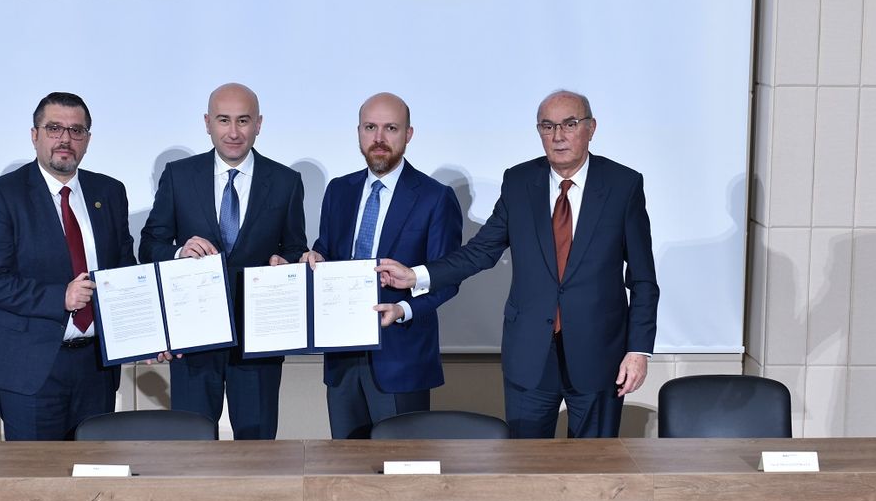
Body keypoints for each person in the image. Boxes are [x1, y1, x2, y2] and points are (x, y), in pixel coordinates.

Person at [377, 89, 658, 438]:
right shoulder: (519, 182)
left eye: (569, 124)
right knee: (524, 462)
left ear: (591, 127)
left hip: (600, 355)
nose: (558, 136)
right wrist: (417, 275)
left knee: (593, 463)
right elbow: (481, 251)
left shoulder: (623, 185)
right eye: (547, 126)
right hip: (530, 355)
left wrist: (638, 350)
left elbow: (643, 280)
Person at [139, 83, 306, 439]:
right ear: (207, 123)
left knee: (257, 449)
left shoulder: (286, 182)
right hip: (193, 339)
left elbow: (296, 248)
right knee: (192, 448)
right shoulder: (179, 176)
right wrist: (179, 252)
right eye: (223, 120)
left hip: (258, 344)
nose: (233, 132)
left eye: (243, 120)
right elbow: (150, 245)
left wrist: (286, 262)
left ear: (258, 124)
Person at [0, 92, 136, 440]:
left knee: (96, 469)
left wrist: (145, 333)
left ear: (87, 139)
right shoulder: (1, 195)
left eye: (76, 130)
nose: (65, 139)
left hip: (96, 367)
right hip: (29, 368)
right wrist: (60, 297)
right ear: (35, 135)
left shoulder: (109, 192)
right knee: (35, 472)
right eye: (54, 128)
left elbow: (124, 270)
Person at [298, 93, 462, 438]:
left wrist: (403, 309)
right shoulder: (338, 191)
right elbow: (326, 249)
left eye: (391, 128)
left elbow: (447, 278)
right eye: (370, 127)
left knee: (401, 464)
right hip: (343, 358)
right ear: (359, 131)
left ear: (408, 134)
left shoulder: (435, 197)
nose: (379, 138)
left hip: (401, 358)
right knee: (346, 462)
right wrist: (315, 258)